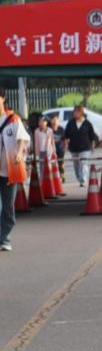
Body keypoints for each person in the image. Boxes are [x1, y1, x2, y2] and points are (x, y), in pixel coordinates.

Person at [0, 89, 30, 252]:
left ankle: (4, 238)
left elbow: (23, 139)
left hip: (9, 171)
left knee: (8, 209)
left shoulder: (13, 119)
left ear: (3, 98)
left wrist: (19, 153)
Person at [63, 105, 99, 187]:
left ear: (81, 113)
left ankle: (83, 179)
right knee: (76, 165)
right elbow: (66, 135)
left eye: (77, 111)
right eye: (74, 111)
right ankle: (79, 178)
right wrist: (65, 144)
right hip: (74, 148)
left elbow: (92, 135)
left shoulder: (87, 123)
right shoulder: (70, 123)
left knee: (83, 163)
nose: (75, 113)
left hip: (85, 147)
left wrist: (93, 145)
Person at [50, 115, 66, 182]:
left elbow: (65, 139)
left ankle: (62, 176)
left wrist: (65, 146)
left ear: (58, 122)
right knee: (52, 164)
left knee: (60, 163)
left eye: (56, 120)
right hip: (51, 150)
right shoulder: (49, 130)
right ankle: (54, 177)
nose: (54, 122)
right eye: (53, 120)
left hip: (60, 149)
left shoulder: (61, 129)